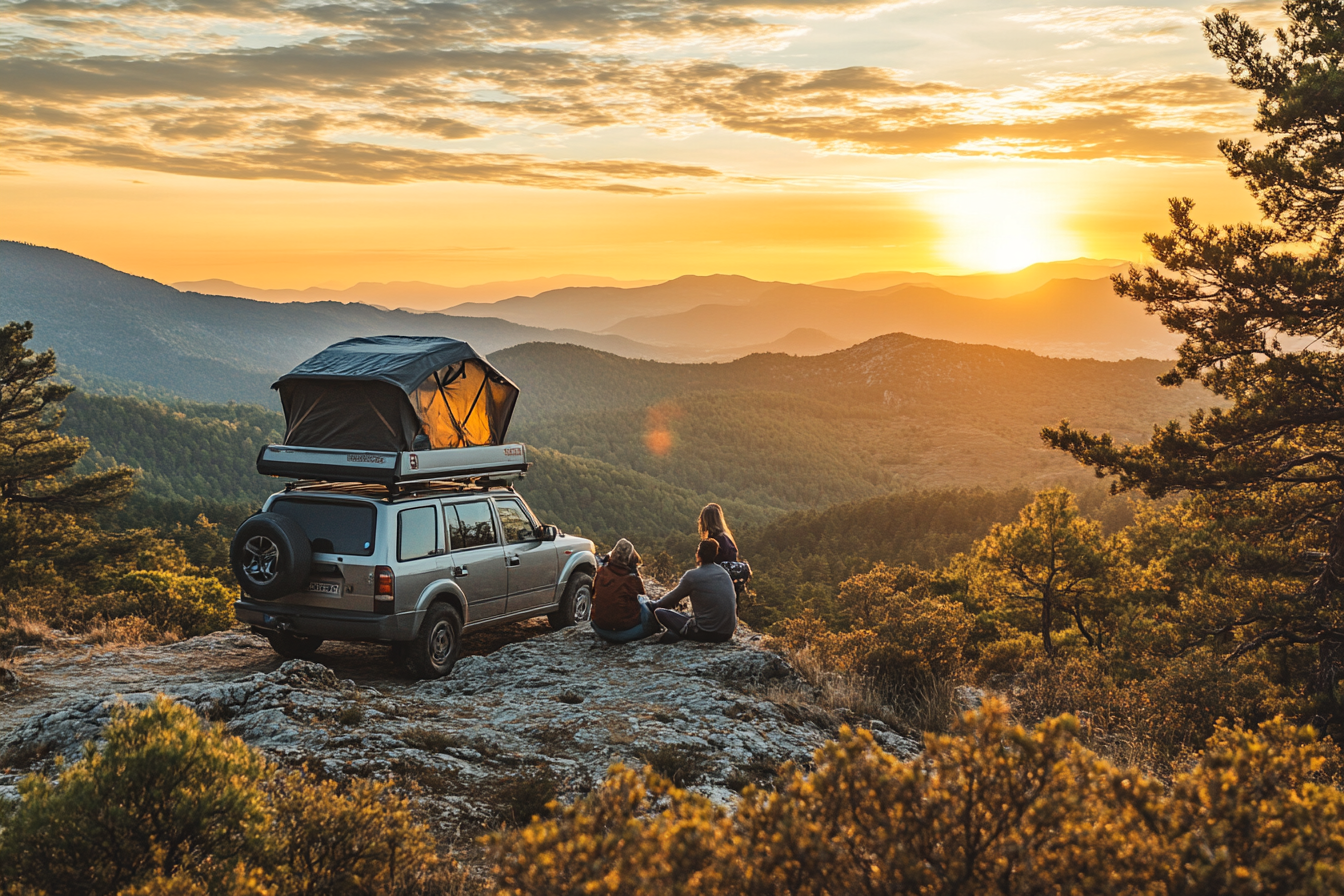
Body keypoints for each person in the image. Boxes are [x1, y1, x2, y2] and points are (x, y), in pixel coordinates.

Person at [649, 539, 737, 644]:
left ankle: (678, 634)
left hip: (707, 633)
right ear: (715, 555)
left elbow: (667, 601)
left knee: (660, 612)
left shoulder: (692, 576)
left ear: (698, 554)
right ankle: (675, 634)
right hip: (727, 633)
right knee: (684, 615)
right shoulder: (724, 573)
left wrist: (650, 605)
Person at [590, 538, 660, 643]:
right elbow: (642, 599)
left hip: (599, 628)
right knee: (651, 614)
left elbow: (594, 594)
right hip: (624, 633)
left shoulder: (601, 571)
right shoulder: (633, 579)